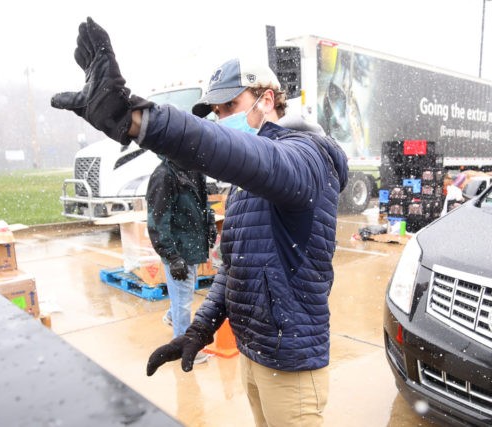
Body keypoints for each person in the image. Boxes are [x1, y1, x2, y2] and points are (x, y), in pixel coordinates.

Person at [51, 18, 349, 427]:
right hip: (255, 353)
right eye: (215, 111)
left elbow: (241, 153)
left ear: (267, 99)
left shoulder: (305, 156)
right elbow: (238, 268)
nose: (221, 118)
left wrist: (140, 121)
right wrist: (201, 328)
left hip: (291, 365)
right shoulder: (245, 185)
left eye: (230, 106)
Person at [146, 155, 217, 365]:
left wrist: (210, 223)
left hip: (193, 245)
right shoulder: (164, 176)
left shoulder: (193, 169)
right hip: (179, 250)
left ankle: (171, 317)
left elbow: (204, 202)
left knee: (183, 296)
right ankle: (184, 348)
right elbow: (158, 221)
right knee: (184, 303)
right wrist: (171, 256)